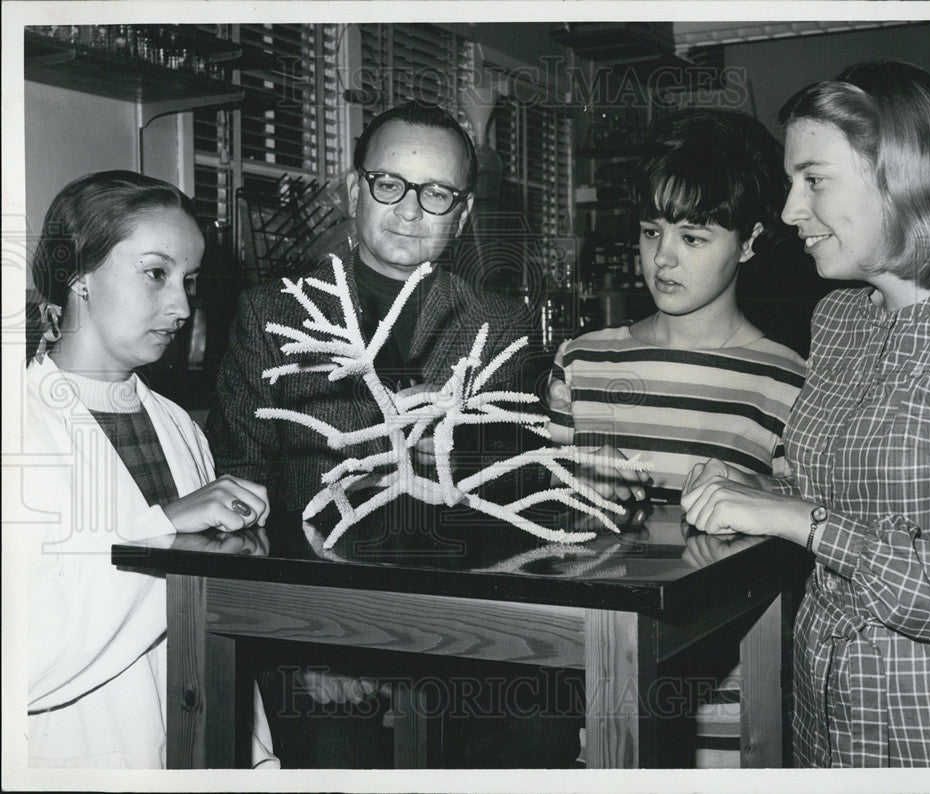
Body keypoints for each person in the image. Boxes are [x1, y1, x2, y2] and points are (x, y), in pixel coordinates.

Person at [206, 102, 577, 768]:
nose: (410, 209)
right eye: (389, 184)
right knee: (335, 747)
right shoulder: (273, 313)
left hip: (467, 628)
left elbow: (521, 495)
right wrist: (315, 641)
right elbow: (241, 486)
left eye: (436, 193)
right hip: (313, 626)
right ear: (354, 191)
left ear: (462, 213)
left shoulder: (502, 323)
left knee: (539, 731)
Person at [681, 61, 930, 767]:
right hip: (824, 717)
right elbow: (842, 492)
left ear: (900, 173)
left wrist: (799, 522)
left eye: (813, 180)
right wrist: (758, 492)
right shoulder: (839, 318)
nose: (788, 211)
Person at [547, 108, 807, 767]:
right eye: (650, 231)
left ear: (749, 241)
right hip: (583, 687)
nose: (662, 258)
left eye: (693, 237)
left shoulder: (789, 380)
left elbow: (804, 534)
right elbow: (546, 526)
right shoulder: (582, 361)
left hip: (728, 709)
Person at [22, 170, 278, 768]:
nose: (183, 306)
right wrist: (164, 529)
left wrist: (259, 756)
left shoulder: (179, 425)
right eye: (155, 274)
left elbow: (211, 617)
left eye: (188, 280)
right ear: (78, 273)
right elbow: (24, 659)